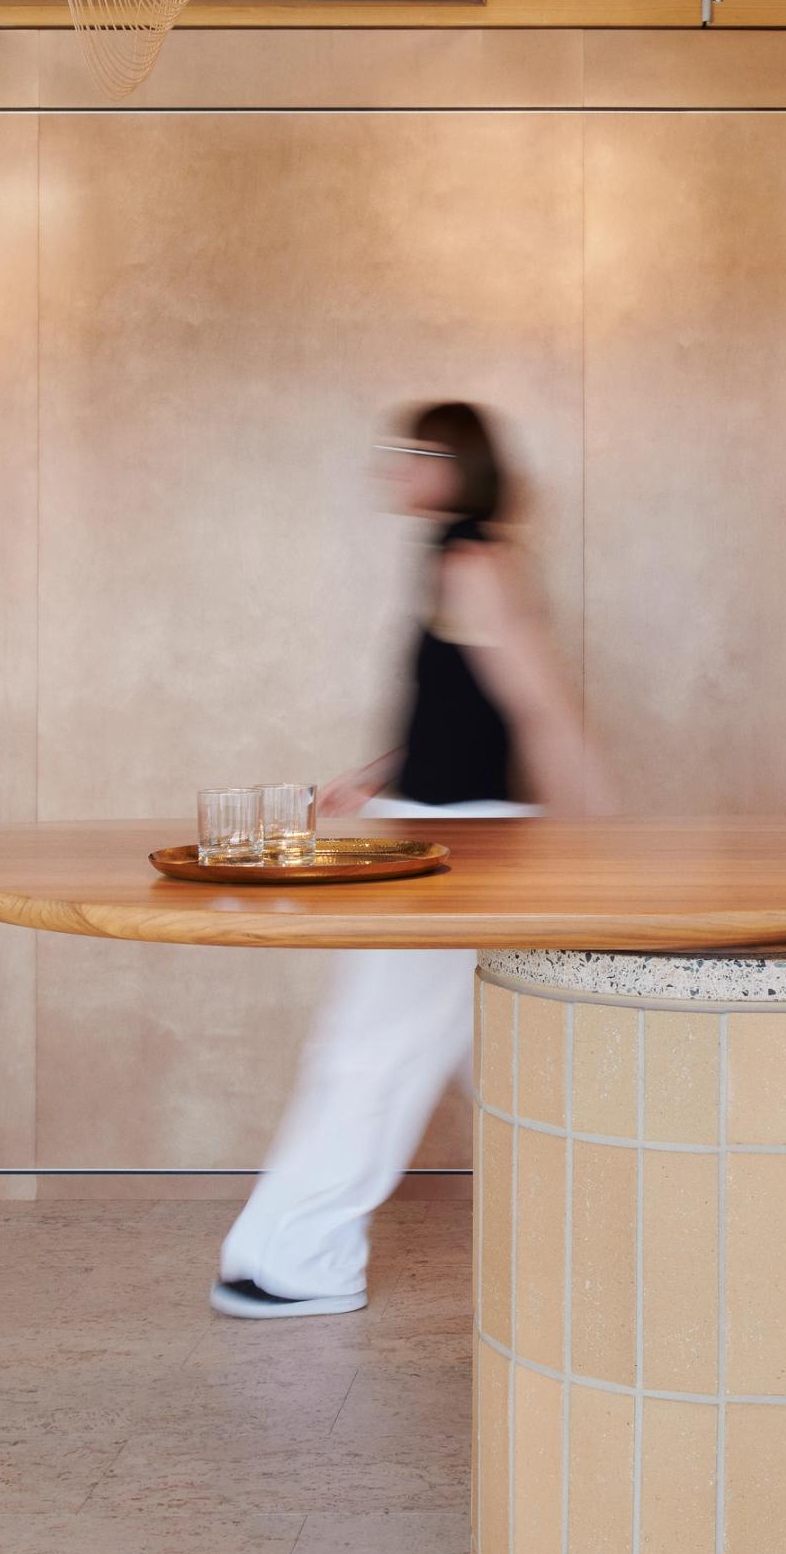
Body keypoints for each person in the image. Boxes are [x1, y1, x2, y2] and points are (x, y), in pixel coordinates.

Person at [212, 401, 599, 1319]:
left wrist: (602, 831)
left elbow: (541, 705)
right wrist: (376, 778)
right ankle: (288, 1252)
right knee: (456, 1048)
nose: (396, 466)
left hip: (466, 845)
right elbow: (460, 710)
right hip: (438, 826)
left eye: (415, 452)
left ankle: (301, 1260)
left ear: (457, 463)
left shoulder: (475, 564)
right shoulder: (450, 560)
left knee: (370, 1047)